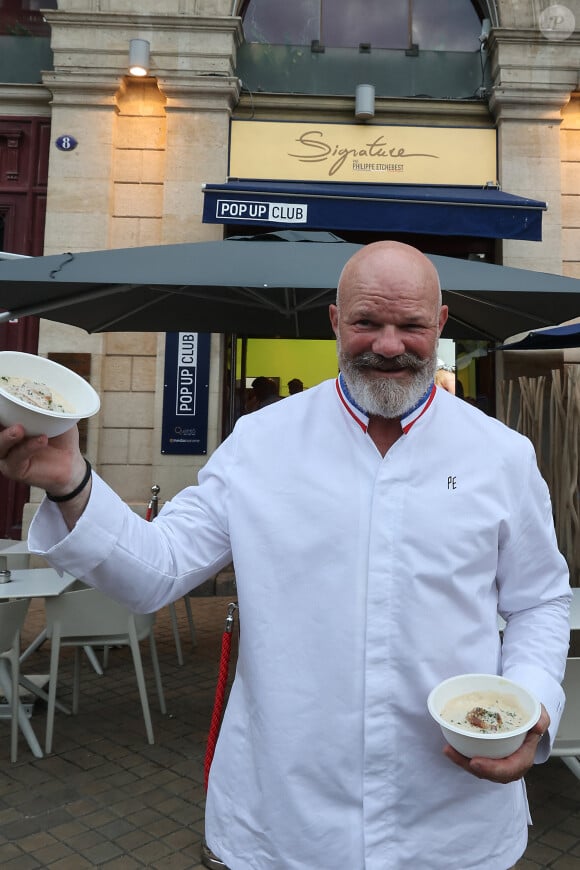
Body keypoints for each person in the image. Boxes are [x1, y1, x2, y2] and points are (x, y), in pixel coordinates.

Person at [0, 241, 571, 870]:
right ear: (334, 322)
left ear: (439, 324)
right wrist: (70, 481)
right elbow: (157, 570)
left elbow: (539, 600)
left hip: (450, 816)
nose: (388, 344)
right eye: (366, 323)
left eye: (410, 325)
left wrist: (529, 708)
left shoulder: (501, 455)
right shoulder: (261, 441)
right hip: (285, 817)